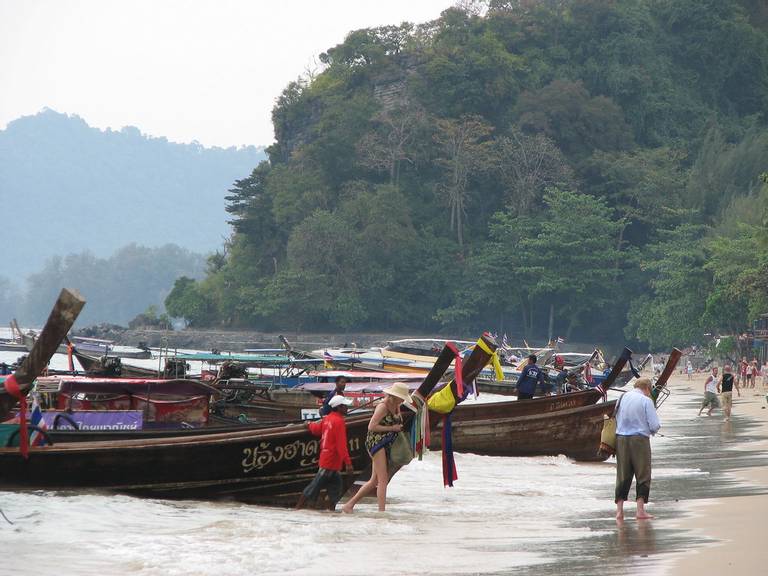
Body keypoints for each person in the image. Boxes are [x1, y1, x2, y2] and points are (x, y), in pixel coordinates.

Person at [342, 382, 413, 513]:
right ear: (395, 396)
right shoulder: (383, 406)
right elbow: (371, 426)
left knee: (374, 481)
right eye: (402, 397)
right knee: (383, 479)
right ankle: (382, 512)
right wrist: (392, 428)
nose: (403, 400)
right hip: (375, 442)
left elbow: (399, 422)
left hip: (385, 443)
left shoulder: (396, 405)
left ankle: (349, 505)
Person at [295, 394, 354, 510]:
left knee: (335, 489)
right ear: (339, 407)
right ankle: (298, 508)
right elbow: (341, 445)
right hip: (331, 462)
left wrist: (308, 424)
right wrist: (348, 463)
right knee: (314, 487)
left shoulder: (327, 419)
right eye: (345, 406)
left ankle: (330, 512)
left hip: (328, 460)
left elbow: (316, 430)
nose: (347, 408)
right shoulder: (339, 421)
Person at [614, 378, 660, 521]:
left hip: (620, 439)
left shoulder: (622, 397)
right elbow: (654, 425)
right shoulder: (646, 401)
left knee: (622, 475)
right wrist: (651, 430)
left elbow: (616, 417)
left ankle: (619, 512)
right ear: (647, 388)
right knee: (643, 474)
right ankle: (640, 511)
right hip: (639, 440)